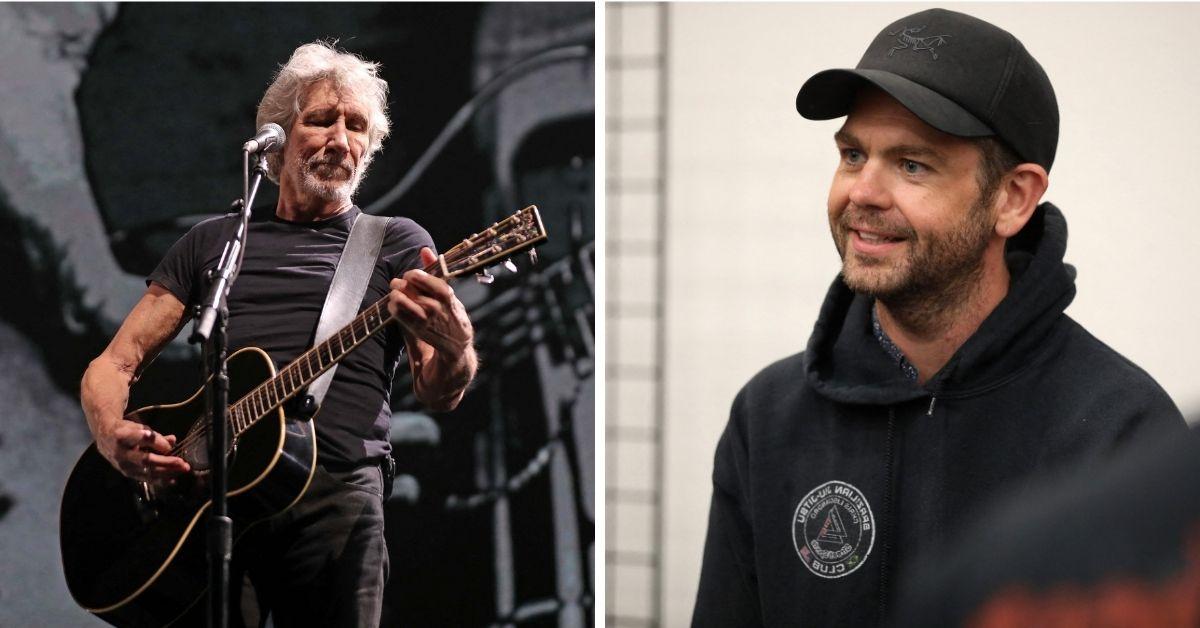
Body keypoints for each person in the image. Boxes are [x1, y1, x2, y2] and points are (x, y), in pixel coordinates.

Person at [691, 9, 1186, 627]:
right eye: (852, 154)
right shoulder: (768, 418)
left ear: (1013, 198)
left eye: (911, 165)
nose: (862, 193)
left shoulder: (1122, 434)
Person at [79, 41, 477, 627]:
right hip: (210, 505)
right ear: (279, 137)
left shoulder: (395, 243)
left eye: (357, 127)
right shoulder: (216, 242)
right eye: (321, 120)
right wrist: (113, 437)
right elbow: (114, 364)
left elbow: (443, 391)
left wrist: (455, 342)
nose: (341, 140)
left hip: (337, 502)